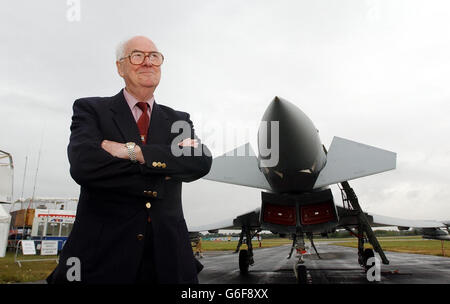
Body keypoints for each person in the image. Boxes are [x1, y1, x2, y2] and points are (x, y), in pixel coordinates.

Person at [46, 36, 212, 284]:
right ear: (120, 67)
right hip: (101, 259)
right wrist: (163, 169)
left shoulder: (178, 119)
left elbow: (200, 162)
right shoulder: (91, 110)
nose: (148, 62)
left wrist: (133, 152)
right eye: (137, 55)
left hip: (169, 262)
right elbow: (84, 166)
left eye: (154, 57)